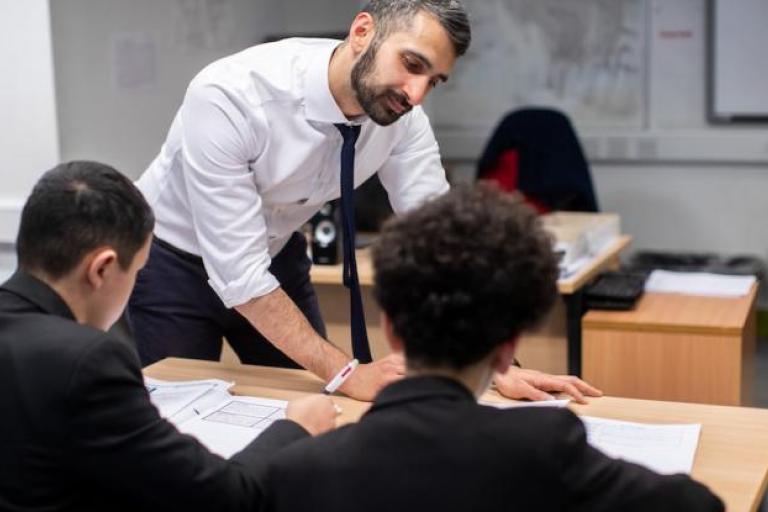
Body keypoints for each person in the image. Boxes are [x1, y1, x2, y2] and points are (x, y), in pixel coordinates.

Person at [130, 0, 600, 403]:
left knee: (317, 410)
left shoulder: (403, 120)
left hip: (275, 253)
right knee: (177, 418)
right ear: (362, 32)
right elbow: (238, 273)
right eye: (412, 64)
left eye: (434, 81)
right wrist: (348, 372)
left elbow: (447, 243)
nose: (416, 95)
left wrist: (496, 362)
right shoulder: (230, 95)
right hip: (173, 263)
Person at [259, 184, 724, 512]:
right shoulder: (543, 448)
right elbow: (699, 505)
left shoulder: (301, 468)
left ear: (391, 328)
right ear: (509, 349)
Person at [0, 161, 337, 512]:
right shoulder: (88, 361)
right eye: (138, 271)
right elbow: (225, 498)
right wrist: (295, 428)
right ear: (101, 268)